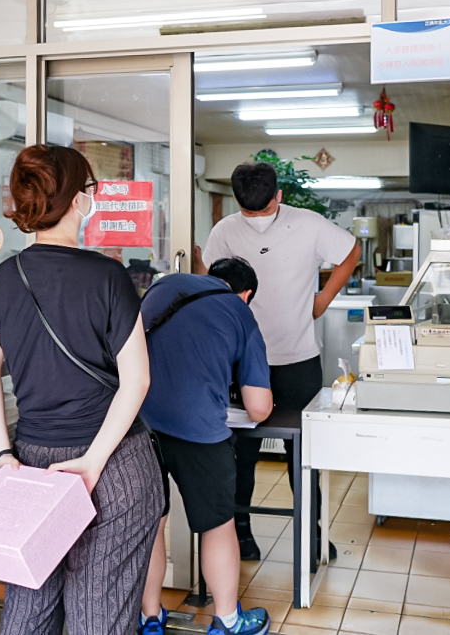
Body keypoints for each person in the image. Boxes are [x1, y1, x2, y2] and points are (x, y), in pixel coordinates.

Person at [0, 145, 164, 635]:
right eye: (91, 190)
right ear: (78, 200)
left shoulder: (4, 279)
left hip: (33, 462)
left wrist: (3, 457)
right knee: (99, 611)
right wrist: (93, 463)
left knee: (29, 606)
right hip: (114, 465)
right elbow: (136, 380)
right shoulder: (107, 276)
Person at [199, 162, 361, 560]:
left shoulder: (307, 225)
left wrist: (321, 299)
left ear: (277, 197)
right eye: (250, 213)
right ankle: (244, 534)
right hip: (242, 361)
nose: (255, 221)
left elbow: (351, 251)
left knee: (299, 454)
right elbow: (211, 281)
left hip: (296, 358)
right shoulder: (225, 231)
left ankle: (311, 535)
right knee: (243, 455)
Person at [138, 258, 274, 635]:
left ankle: (150, 617)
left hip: (136, 426)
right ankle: (228, 620)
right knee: (217, 525)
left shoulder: (163, 287)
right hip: (198, 431)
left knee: (151, 524)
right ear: (245, 294)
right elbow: (259, 407)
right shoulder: (239, 311)